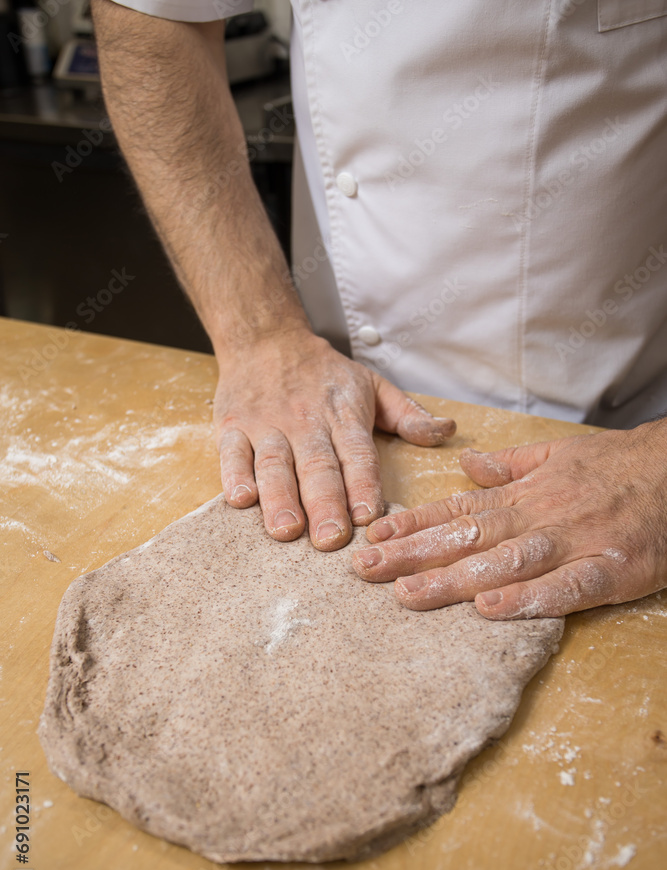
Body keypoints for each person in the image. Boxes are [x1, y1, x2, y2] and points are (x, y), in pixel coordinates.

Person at [92, 0, 667, 619]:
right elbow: (152, 15)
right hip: (332, 391)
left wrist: (657, 470)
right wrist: (260, 334)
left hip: (625, 420)